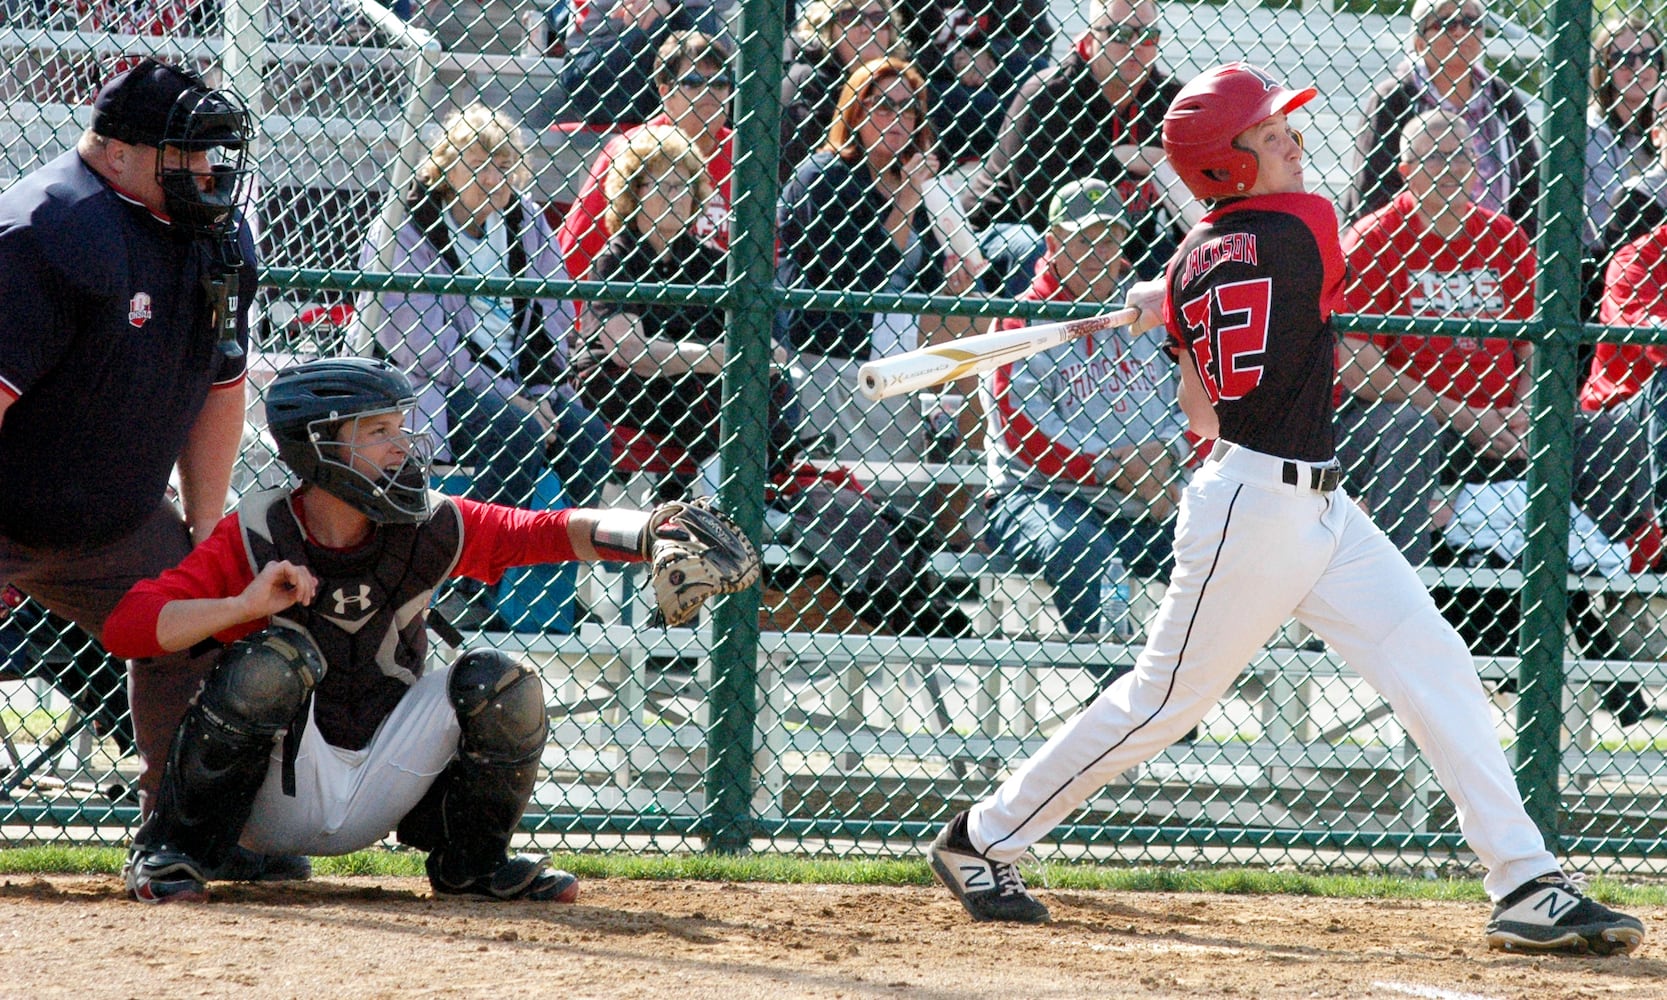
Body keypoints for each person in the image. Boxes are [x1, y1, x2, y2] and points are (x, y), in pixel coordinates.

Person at [926, 62, 1647, 957]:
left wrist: (1179, 300)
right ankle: (981, 838)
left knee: (1435, 663)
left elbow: (1197, 408)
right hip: (1253, 511)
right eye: (1268, 136)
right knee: (1163, 703)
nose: (1293, 140)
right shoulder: (1304, 225)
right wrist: (1181, 292)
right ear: (1224, 166)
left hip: (1314, 506)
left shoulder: (1199, 258)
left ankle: (1525, 881)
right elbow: (1253, 293)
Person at [102, 357, 747, 903]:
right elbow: (127, 629)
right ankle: (173, 852)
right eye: (379, 431)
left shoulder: (428, 522)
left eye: (401, 429)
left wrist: (645, 532)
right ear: (322, 445)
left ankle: (472, 865)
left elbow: (542, 530)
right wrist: (243, 603)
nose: (403, 447)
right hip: (274, 796)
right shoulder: (258, 529)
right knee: (275, 658)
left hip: (385, 779)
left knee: (503, 684)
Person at [0, 59, 301, 883]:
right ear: (121, 151)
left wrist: (207, 535)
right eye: (188, 155)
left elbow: (220, 384)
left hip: (112, 517)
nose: (209, 173)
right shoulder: (48, 229)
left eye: (215, 154)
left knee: (203, 622)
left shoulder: (213, 235)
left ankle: (186, 834)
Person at [578, 125, 969, 636]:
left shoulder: (704, 261)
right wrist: (717, 355)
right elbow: (629, 349)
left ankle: (753, 507)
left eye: (682, 187)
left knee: (755, 384)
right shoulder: (619, 255)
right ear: (633, 194)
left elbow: (767, 343)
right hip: (627, 387)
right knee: (720, 390)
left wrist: (756, 355)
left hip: (702, 392)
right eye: (659, 186)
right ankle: (742, 504)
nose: (673, 198)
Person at [1337, 109, 1661, 580]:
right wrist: (1463, 414)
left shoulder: (1503, 237)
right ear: (1406, 171)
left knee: (1613, 435)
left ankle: (1615, 593)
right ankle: (1398, 592)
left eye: (1462, 156)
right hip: (1413, 421)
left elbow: (1535, 347)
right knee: (1411, 428)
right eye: (1435, 159)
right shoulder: (1374, 239)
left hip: (1506, 422)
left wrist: (1526, 411)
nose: (1450, 170)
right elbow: (1356, 364)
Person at [367, 104, 614, 511]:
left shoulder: (526, 220)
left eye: (502, 165)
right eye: (477, 164)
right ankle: (472, 566)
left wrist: (541, 394)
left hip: (524, 381)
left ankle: (551, 559)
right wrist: (511, 398)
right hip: (437, 385)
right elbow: (422, 347)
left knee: (589, 439)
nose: (491, 178)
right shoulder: (406, 226)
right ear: (446, 167)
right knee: (516, 435)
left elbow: (552, 314)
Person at [981, 178, 1182, 644]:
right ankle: (1130, 703)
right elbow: (1022, 433)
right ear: (1053, 243)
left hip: (1153, 493)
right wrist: (1116, 467)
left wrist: (1165, 465)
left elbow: (1194, 400)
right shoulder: (1019, 321)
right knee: (1084, 551)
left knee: (1220, 545)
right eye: (1085, 237)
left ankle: (1176, 694)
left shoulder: (1146, 312)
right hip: (1039, 497)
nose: (1100, 250)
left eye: (1110, 237)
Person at [777, 57, 978, 467]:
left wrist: (951, 274)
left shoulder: (915, 175)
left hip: (904, 332)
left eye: (909, 107)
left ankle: (958, 494)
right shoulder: (824, 175)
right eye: (883, 105)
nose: (898, 118)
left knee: (976, 329)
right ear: (855, 112)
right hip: (838, 336)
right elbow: (853, 276)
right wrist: (906, 198)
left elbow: (925, 269)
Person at [958, 0, 1186, 295]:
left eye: (1148, 35)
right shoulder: (1046, 95)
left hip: (1118, 239)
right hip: (1004, 230)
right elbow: (1039, 210)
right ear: (1090, 39)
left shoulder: (1172, 102)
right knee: (1039, 249)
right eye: (1120, 33)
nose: (1135, 46)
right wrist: (1117, 161)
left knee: (1181, 258)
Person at [1344, 0, 1539, 234]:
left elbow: (1530, 187)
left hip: (1494, 250)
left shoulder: (1502, 99)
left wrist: (1513, 246)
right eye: (1445, 22)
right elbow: (1372, 190)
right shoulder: (1395, 99)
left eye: (1470, 21)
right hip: (1410, 250)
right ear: (1419, 42)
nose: (1460, 30)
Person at [559, 31, 734, 284]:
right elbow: (575, 253)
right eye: (694, 81)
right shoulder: (631, 152)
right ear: (665, 92)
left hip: (715, 312)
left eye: (719, 82)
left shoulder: (745, 157)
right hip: (633, 307)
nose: (709, 91)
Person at [780, 0, 910, 183]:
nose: (868, 28)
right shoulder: (808, 83)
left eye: (879, 19)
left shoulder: (897, 84)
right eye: (851, 17)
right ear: (827, 28)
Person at [1584, 16, 1661, 319]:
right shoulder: (1590, 131)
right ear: (1603, 67)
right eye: (1623, 58)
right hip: (1604, 274)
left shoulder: (1658, 126)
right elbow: (1610, 221)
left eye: (1649, 57)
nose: (1638, 67)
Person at [552, 0, 731, 127]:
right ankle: (697, 92)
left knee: (694, 17)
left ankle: (701, 92)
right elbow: (623, 11)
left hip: (657, 74)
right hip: (595, 72)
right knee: (661, 16)